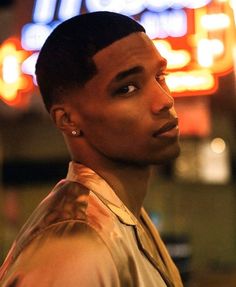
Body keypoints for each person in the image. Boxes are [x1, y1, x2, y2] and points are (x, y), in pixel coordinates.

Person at [0, 11, 182, 287]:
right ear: (69, 120)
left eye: (160, 76)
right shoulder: (75, 244)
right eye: (127, 88)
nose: (164, 100)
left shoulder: (119, 213)